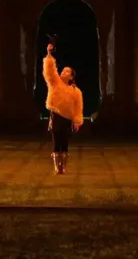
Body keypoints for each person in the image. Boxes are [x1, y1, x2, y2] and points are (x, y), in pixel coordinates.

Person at [43, 42, 84, 175]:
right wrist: (49, 53)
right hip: (56, 116)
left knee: (64, 142)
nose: (63, 72)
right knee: (56, 141)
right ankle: (56, 166)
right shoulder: (55, 83)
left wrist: (77, 121)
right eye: (63, 70)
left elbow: (78, 107)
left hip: (67, 119)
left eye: (67, 71)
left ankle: (64, 166)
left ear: (71, 76)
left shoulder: (76, 91)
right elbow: (49, 71)